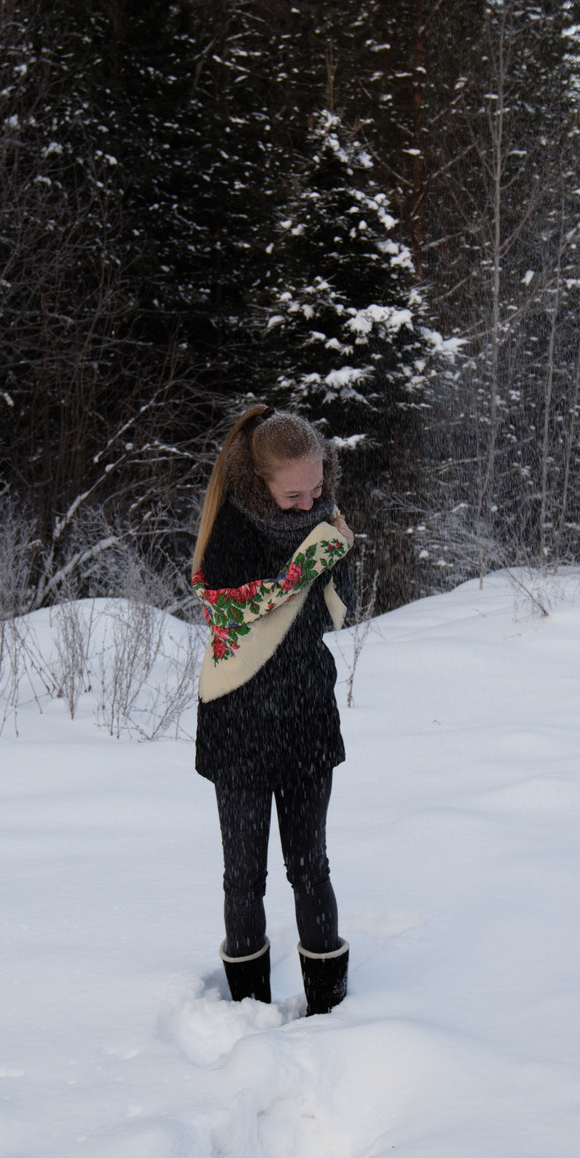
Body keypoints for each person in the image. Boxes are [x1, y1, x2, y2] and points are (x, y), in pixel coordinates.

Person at [190, 405, 358, 1014]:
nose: (309, 502)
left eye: (318, 488)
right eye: (293, 494)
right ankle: (246, 1016)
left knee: (310, 865)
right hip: (238, 724)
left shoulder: (326, 523)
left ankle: (331, 1011)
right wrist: (304, 570)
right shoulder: (230, 533)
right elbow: (232, 611)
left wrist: (319, 562)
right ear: (259, 485)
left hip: (307, 715)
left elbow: (336, 613)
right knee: (244, 875)